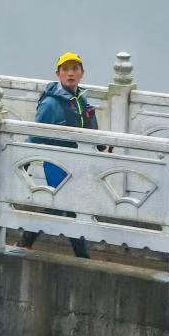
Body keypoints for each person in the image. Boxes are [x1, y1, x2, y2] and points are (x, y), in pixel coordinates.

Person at [17, 52, 107, 257]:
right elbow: (35, 134)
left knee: (59, 206)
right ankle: (82, 256)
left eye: (75, 69)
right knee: (68, 204)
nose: (70, 74)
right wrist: (23, 163)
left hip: (76, 162)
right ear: (58, 74)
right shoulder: (51, 103)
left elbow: (90, 130)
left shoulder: (81, 99)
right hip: (56, 162)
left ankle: (26, 241)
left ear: (82, 73)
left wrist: (102, 148)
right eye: (65, 70)